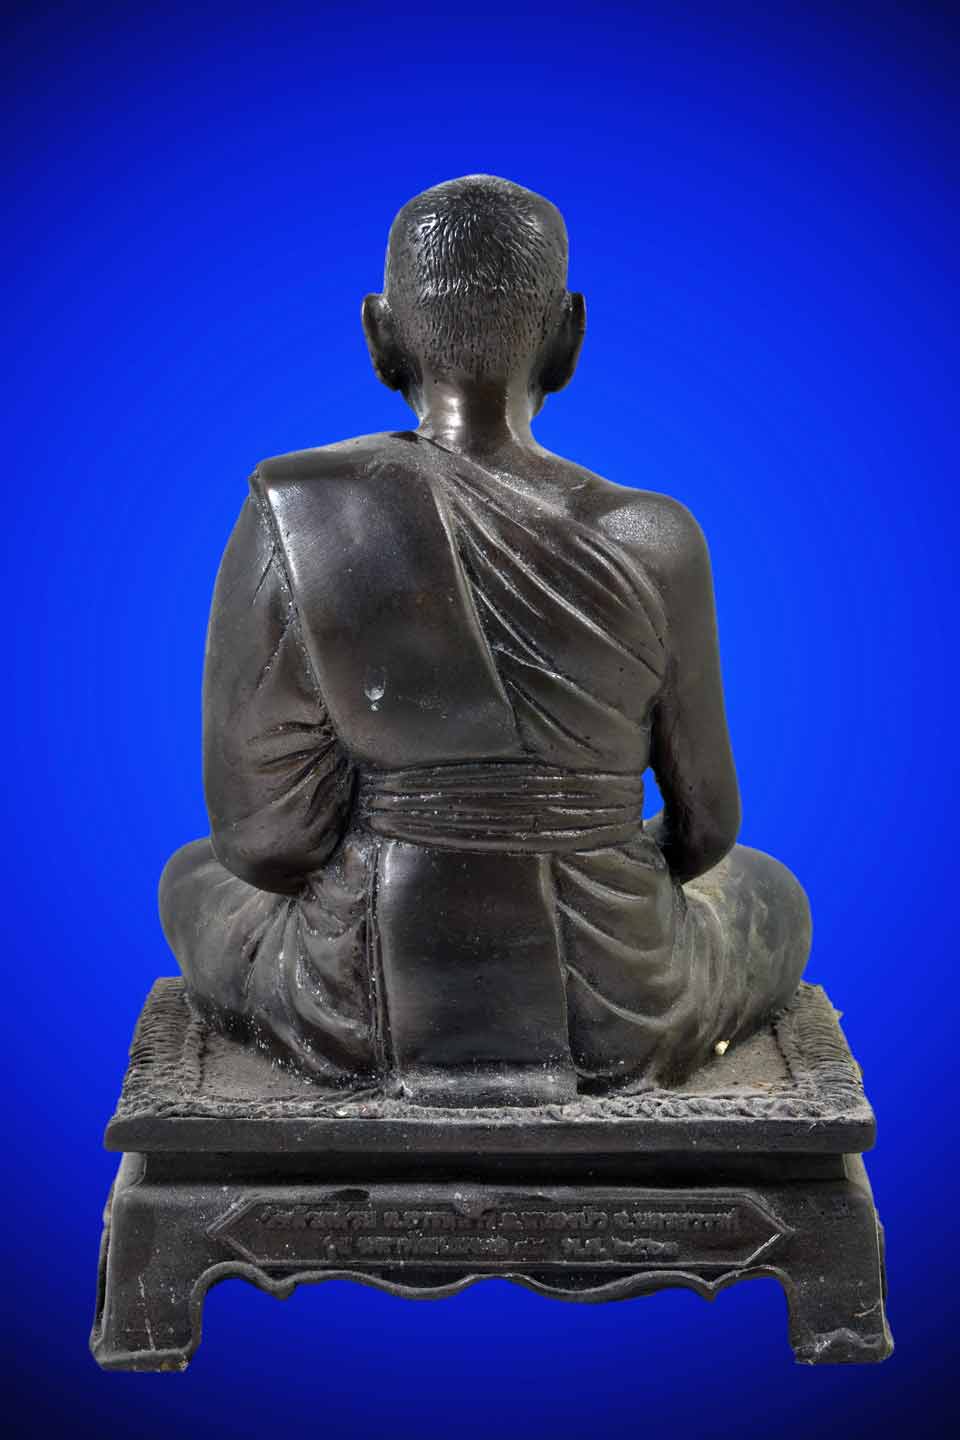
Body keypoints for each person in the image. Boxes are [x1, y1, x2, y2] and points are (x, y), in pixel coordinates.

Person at [160, 175, 811, 1107]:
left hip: (370, 996)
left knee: (190, 878)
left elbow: (264, 846)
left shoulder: (301, 511)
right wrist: (578, 840)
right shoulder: (657, 537)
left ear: (379, 333)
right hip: (622, 999)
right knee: (769, 892)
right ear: (569, 334)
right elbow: (709, 831)